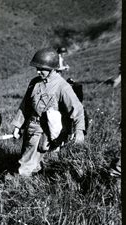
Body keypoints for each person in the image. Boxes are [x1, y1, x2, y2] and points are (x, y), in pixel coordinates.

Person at [11, 48, 85, 177]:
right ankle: (34, 181)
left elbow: (77, 109)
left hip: (46, 131)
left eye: (42, 69)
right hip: (31, 127)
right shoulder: (34, 82)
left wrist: (79, 131)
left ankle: (17, 185)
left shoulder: (62, 86)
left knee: (26, 165)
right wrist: (18, 125)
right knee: (30, 158)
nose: (38, 72)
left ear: (52, 68)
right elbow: (25, 105)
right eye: (37, 68)